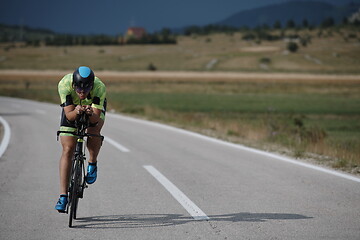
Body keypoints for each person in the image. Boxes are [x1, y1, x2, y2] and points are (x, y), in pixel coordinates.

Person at [55, 66, 106, 213]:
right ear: (73, 85)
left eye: (86, 89)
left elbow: (95, 120)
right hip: (71, 109)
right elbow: (69, 116)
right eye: (78, 89)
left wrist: (90, 114)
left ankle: (92, 162)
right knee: (67, 149)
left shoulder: (99, 87)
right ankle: (63, 196)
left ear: (92, 85)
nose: (82, 92)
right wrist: (77, 111)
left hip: (92, 110)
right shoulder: (64, 84)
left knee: (93, 131)